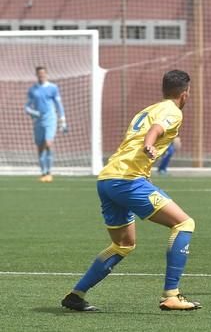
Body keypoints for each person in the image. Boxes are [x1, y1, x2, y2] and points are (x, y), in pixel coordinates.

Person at [61, 70, 201, 312]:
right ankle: (171, 295)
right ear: (185, 93)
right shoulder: (171, 111)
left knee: (123, 244)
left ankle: (76, 295)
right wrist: (149, 145)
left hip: (107, 179)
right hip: (128, 180)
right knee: (184, 224)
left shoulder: (147, 109)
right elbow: (155, 130)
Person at [25, 66, 67, 182]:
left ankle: (49, 172)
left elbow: (59, 104)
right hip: (38, 121)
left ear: (46, 74)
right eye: (39, 74)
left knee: (48, 143)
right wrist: (35, 113)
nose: (41, 75)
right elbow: (27, 107)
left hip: (51, 119)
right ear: (36, 75)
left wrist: (62, 119)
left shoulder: (53, 88)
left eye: (43, 73)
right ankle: (43, 172)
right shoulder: (33, 90)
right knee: (40, 147)